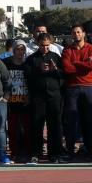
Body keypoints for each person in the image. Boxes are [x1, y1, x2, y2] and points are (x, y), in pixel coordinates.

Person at [25, 32, 66, 164]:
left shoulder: (56, 57)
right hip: (38, 97)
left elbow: (63, 76)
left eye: (47, 45)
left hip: (54, 96)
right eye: (42, 46)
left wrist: (55, 70)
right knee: (37, 125)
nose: (45, 48)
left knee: (55, 126)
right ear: (38, 44)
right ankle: (35, 153)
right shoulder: (31, 59)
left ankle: (55, 154)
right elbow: (28, 78)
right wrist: (38, 69)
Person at [61, 24, 92, 160]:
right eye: (74, 32)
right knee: (71, 121)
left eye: (79, 32)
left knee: (90, 121)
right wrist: (83, 64)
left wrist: (75, 62)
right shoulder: (67, 50)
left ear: (83, 34)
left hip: (89, 87)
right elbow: (67, 68)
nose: (76, 34)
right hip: (72, 88)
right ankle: (70, 152)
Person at [3, 41, 31, 162]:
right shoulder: (5, 64)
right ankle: (14, 152)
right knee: (13, 129)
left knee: (26, 128)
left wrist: (30, 96)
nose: (20, 52)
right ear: (13, 50)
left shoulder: (28, 64)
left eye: (22, 49)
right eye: (18, 49)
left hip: (25, 101)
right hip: (11, 101)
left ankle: (26, 152)